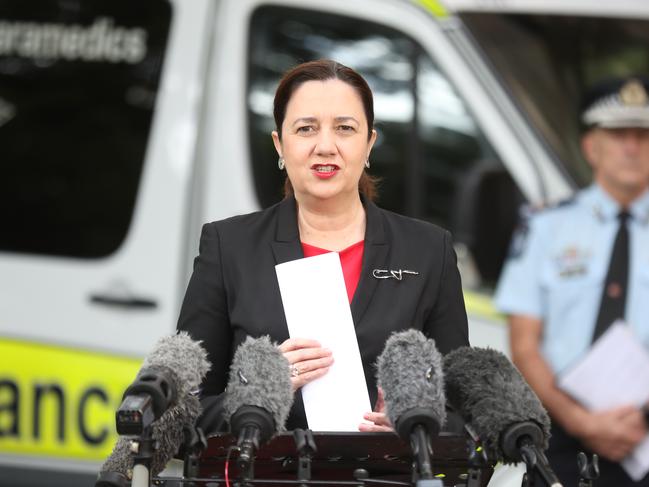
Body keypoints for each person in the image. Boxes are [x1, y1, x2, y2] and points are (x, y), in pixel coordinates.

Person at [176, 59, 469, 433]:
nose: (325, 146)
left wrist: (413, 428)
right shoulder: (228, 246)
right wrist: (258, 392)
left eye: (345, 128)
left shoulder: (429, 251)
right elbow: (180, 414)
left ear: (369, 144)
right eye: (306, 128)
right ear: (280, 144)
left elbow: (462, 412)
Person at [495, 76, 649, 486]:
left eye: (643, 135)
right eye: (618, 134)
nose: (632, 147)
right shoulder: (547, 226)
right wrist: (581, 421)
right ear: (591, 146)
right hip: (561, 438)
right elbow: (525, 343)